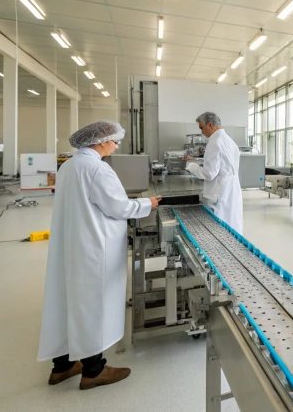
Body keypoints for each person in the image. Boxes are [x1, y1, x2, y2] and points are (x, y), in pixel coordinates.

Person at [37, 121, 161, 390]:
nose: (116, 146)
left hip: (72, 244)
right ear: (101, 140)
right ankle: (94, 370)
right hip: (94, 248)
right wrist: (146, 204)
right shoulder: (97, 168)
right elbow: (118, 207)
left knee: (68, 302)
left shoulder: (69, 165)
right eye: (115, 141)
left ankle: (63, 365)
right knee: (93, 305)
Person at [186, 112, 243, 234]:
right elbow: (223, 165)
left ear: (210, 125)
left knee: (218, 228)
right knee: (232, 224)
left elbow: (209, 173)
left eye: (202, 127)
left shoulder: (214, 141)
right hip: (232, 189)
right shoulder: (229, 141)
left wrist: (192, 166)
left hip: (218, 192)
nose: (202, 132)